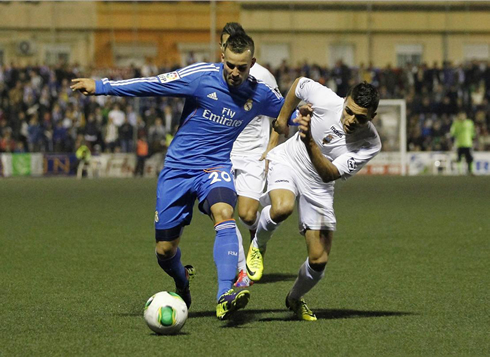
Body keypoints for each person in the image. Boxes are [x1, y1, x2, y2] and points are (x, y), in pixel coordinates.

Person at [70, 33, 287, 320]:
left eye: (242, 67)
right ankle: (182, 280)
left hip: (215, 167)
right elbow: (153, 85)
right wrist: (101, 85)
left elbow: (290, 113)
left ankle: (225, 294)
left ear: (252, 64)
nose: (235, 72)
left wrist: (307, 117)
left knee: (224, 213)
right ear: (222, 57)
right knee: (165, 250)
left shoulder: (260, 94)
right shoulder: (200, 77)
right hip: (178, 170)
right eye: (230, 65)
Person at [246, 78, 381, 321]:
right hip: (290, 161)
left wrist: (309, 140)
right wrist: (282, 121)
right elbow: (298, 84)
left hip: (319, 183)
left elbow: (329, 173)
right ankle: (258, 244)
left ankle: (294, 298)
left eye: (360, 118)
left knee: (319, 260)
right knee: (282, 208)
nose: (351, 120)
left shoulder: (370, 143)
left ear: (372, 117)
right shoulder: (327, 100)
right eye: (349, 111)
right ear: (344, 101)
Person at [220, 22, 282, 288]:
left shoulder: (263, 77)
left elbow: (280, 113)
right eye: (223, 45)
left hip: (253, 153)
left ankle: (258, 238)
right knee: (223, 213)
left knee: (247, 214)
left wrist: (272, 148)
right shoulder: (216, 74)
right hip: (222, 153)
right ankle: (241, 271)